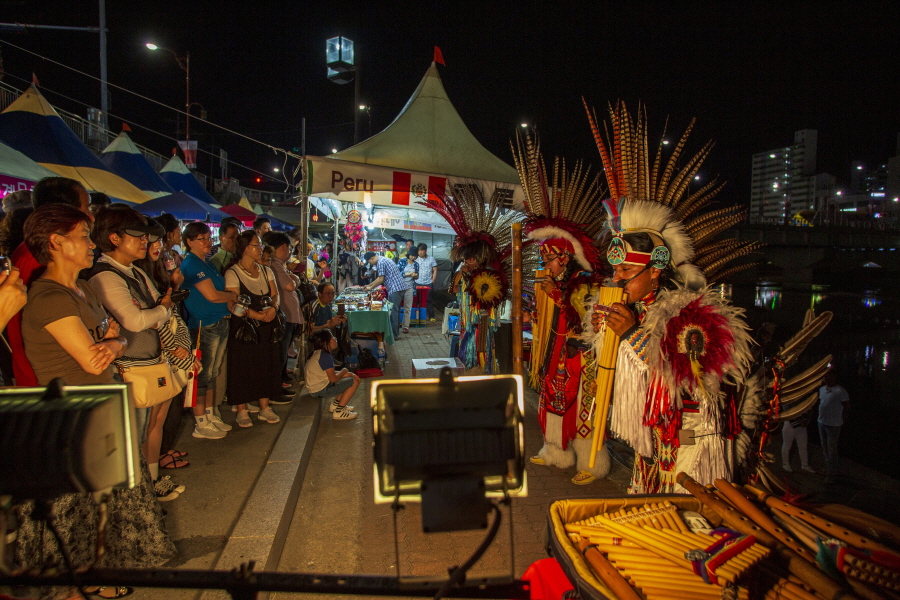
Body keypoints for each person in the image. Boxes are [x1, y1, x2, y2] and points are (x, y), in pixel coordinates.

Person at [579, 103, 757, 493]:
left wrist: (632, 336)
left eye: (627, 272)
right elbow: (620, 378)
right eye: (615, 272)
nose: (617, 280)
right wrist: (602, 338)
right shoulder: (635, 307)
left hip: (693, 450)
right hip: (653, 447)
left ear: (656, 269)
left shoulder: (696, 314)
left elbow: (698, 386)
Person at [18, 203, 174, 596]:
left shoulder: (83, 287)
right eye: (83, 237)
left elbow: (117, 336)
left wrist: (115, 342)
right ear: (56, 243)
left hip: (99, 410)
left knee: (102, 510)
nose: (91, 244)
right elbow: (92, 359)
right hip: (69, 421)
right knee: (74, 518)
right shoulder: (49, 296)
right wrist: (112, 341)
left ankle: (99, 580)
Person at [87, 207, 190, 498]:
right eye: (138, 235)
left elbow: (155, 312)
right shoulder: (105, 276)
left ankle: (148, 485)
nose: (145, 241)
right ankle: (135, 496)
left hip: (149, 360)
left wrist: (159, 310)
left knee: (148, 428)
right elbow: (136, 320)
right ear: (115, 238)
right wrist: (161, 309)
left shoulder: (133, 271)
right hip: (128, 366)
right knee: (133, 436)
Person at [419, 183, 534, 373]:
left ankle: (481, 375)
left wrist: (471, 281)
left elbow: (487, 300)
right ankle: (471, 373)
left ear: (480, 257)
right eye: (466, 258)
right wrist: (460, 276)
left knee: (481, 353)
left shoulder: (490, 274)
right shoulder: (464, 271)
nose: (468, 261)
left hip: (481, 322)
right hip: (466, 321)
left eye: (471, 258)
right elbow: (453, 291)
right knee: (467, 351)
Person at [8, 176, 92, 387]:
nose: (91, 216)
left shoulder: (77, 281)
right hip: (46, 380)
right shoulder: (35, 258)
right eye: (86, 208)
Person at [135, 218, 196, 472]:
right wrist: (173, 346)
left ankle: (156, 466)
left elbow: (166, 311)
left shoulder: (150, 270)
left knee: (161, 417)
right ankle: (151, 472)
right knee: (150, 421)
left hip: (167, 349)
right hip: (152, 353)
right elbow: (152, 316)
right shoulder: (131, 274)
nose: (157, 245)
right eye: (151, 240)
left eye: (160, 240)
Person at [180, 222, 237, 439]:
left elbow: (217, 293)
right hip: (204, 324)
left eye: (207, 237)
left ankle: (210, 414)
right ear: (188, 242)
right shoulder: (192, 265)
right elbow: (212, 295)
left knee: (212, 373)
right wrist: (232, 296)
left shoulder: (207, 263)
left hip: (219, 320)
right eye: (201, 239)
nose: (207, 242)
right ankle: (201, 421)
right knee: (202, 375)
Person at [225, 230, 284, 427]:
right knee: (242, 366)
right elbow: (234, 304)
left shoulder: (266, 271)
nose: (260, 249)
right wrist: (258, 315)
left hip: (268, 324)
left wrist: (274, 309)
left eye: (260, 245)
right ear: (245, 248)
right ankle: (242, 409)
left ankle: (264, 407)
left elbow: (275, 294)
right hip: (245, 327)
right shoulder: (232, 273)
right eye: (256, 245)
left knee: (266, 363)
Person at [264, 230, 304, 387]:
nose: (290, 252)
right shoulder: (275, 265)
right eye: (289, 249)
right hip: (284, 314)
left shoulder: (280, 265)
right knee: (281, 348)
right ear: (282, 247)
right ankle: (277, 382)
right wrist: (294, 279)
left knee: (284, 347)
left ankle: (281, 376)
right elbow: (290, 285)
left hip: (288, 313)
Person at [305, 328, 360, 420]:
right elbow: (333, 379)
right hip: (319, 390)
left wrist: (349, 374)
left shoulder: (319, 353)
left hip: (315, 388)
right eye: (332, 337)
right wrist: (344, 371)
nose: (335, 339)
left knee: (349, 379)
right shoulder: (326, 357)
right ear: (326, 342)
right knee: (354, 382)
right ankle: (339, 411)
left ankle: (336, 405)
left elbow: (329, 374)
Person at [363, 250, 410, 339]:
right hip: (398, 288)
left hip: (395, 288)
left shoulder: (380, 262)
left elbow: (381, 279)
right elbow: (379, 278)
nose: (372, 264)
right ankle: (394, 333)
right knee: (395, 311)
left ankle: (394, 335)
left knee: (393, 312)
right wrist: (369, 285)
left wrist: (371, 287)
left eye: (370, 262)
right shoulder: (382, 260)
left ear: (372, 258)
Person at [818, 370, 849, 483]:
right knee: (824, 447)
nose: (826, 378)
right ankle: (828, 468)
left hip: (834, 424)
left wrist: (843, 419)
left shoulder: (840, 391)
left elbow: (846, 406)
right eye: (825, 376)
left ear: (834, 377)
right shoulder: (821, 389)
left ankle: (832, 474)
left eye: (828, 376)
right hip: (821, 422)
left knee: (832, 449)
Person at [782, 409, 815, 474]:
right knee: (787, 445)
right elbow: (788, 411)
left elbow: (810, 409)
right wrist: (800, 420)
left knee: (803, 446)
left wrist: (807, 421)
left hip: (802, 425)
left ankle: (804, 465)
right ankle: (785, 464)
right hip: (790, 424)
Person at [415, 243, 438, 322]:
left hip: (428, 283)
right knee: (417, 300)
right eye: (419, 250)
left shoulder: (431, 259)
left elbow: (435, 270)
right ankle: (418, 317)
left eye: (422, 250)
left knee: (429, 300)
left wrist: (432, 281)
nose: (420, 252)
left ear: (426, 250)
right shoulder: (415, 259)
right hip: (417, 282)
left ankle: (431, 316)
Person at [400, 252, 418, 333]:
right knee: (396, 307)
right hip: (399, 287)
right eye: (411, 255)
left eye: (414, 255)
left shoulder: (416, 264)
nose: (413, 257)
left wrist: (415, 275)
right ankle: (394, 324)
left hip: (410, 287)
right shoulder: (402, 261)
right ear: (408, 255)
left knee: (408, 308)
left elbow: (417, 276)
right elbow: (398, 273)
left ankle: (406, 326)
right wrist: (409, 274)